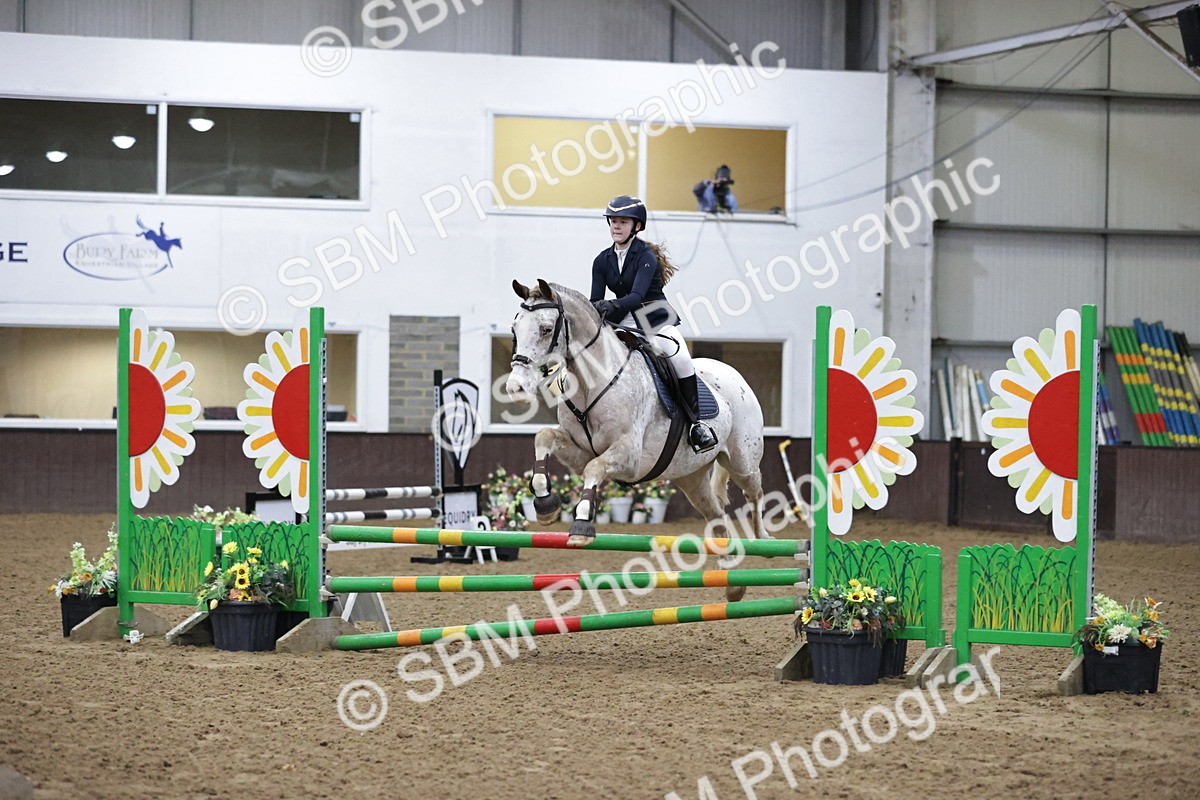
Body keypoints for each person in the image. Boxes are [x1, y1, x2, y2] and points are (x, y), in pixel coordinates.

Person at [589, 194, 718, 453]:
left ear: (636, 226)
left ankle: (697, 424)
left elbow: (637, 296)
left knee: (681, 360)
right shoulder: (602, 260)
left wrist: (611, 305)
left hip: (655, 318)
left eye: (623, 222)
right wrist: (597, 310)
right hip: (623, 320)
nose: (616, 226)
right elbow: (595, 299)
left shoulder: (646, 256)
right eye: (613, 221)